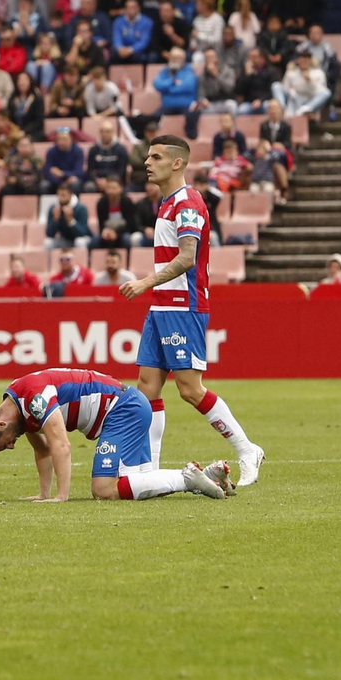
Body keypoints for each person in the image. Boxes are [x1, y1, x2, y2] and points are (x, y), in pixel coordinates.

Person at [119, 134, 265, 487]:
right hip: (162, 307)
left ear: (177, 163)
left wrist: (144, 283)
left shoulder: (187, 203)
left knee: (189, 388)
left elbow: (187, 257)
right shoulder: (166, 203)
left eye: (155, 157)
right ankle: (150, 469)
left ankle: (247, 449)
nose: (147, 163)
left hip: (184, 306)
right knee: (146, 386)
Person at [0, 369, 230, 502]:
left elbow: (61, 445)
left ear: (0, 425)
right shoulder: (18, 405)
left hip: (123, 409)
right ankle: (207, 477)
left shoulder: (33, 398)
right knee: (137, 485)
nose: (11, 446)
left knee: (103, 490)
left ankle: (186, 478)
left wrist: (61, 496)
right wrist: (44, 495)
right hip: (128, 407)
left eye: (3, 445)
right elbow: (43, 449)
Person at [44, 183, 92, 250]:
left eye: (64, 195)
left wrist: (70, 220)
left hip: (81, 238)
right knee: (48, 242)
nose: (61, 198)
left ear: (70, 195)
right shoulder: (54, 208)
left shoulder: (81, 208)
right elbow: (49, 234)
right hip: (64, 239)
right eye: (59, 195)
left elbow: (82, 233)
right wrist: (55, 220)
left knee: (79, 241)